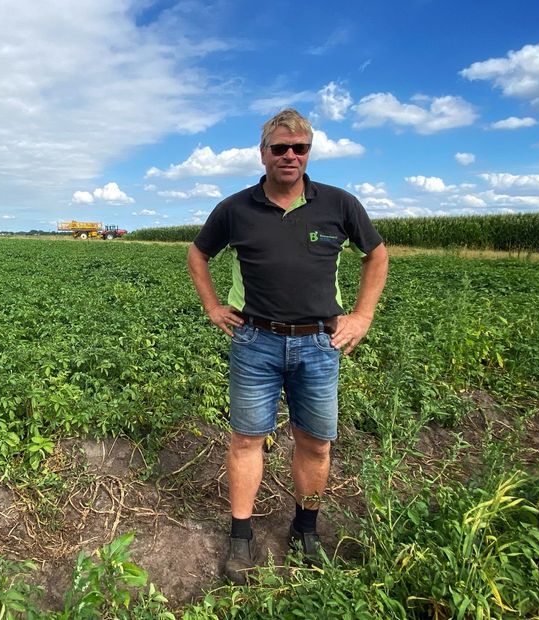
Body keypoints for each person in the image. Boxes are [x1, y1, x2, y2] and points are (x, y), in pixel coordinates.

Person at [187, 108, 388, 584]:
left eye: (300, 148)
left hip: (318, 343)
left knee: (316, 444)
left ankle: (306, 528)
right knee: (246, 439)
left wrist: (362, 316)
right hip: (254, 340)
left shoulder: (338, 204)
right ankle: (241, 535)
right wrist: (213, 306)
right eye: (280, 148)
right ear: (263, 153)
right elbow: (198, 253)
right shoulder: (236, 208)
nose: (290, 156)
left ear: (309, 152)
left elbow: (376, 255)